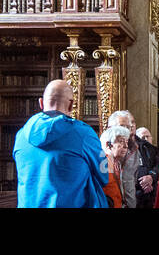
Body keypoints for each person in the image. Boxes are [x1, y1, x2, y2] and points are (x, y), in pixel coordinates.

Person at [14, 80, 109, 208]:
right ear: (71, 105)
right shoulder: (83, 134)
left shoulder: (21, 136)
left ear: (41, 103)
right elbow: (104, 175)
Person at [107, 110, 146, 207]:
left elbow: (133, 181)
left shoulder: (135, 150)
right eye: (121, 126)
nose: (125, 130)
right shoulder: (99, 151)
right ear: (109, 128)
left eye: (128, 127)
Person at [101, 125, 132, 208]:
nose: (126, 146)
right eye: (121, 142)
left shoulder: (117, 163)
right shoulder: (101, 163)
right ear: (109, 144)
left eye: (126, 142)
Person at [134, 126, 159, 208]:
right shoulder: (134, 151)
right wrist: (145, 183)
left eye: (147, 136)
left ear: (151, 138)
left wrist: (151, 177)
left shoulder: (156, 151)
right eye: (142, 137)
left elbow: (158, 166)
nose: (145, 139)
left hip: (153, 192)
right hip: (137, 193)